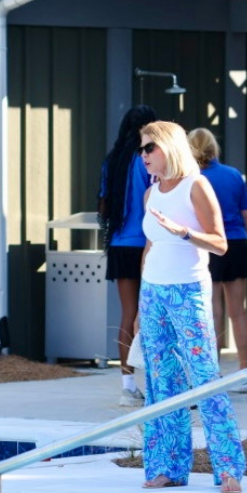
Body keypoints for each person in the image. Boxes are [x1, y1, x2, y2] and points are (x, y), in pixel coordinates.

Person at [138, 121, 247, 492]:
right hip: (153, 292)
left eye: (149, 148)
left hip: (188, 292)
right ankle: (168, 467)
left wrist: (182, 231)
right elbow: (149, 247)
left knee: (205, 379)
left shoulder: (196, 185)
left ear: (169, 147)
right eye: (142, 149)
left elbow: (221, 243)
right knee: (161, 382)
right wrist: (141, 302)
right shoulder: (151, 192)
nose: (144, 155)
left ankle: (229, 468)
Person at [97, 105, 157, 406]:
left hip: (120, 243)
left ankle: (127, 386)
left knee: (127, 315)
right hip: (148, 244)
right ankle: (159, 384)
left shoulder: (112, 162)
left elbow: (104, 208)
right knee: (153, 316)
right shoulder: (148, 160)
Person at [188, 128, 247, 388]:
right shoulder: (233, 175)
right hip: (236, 243)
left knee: (212, 311)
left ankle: (212, 374)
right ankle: (245, 371)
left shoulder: (193, 179)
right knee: (239, 312)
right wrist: (241, 237)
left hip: (207, 244)